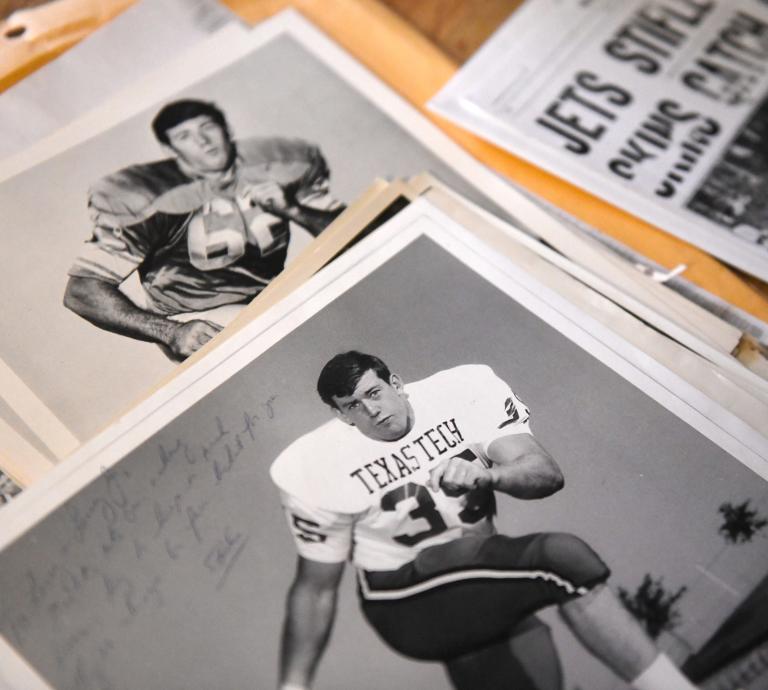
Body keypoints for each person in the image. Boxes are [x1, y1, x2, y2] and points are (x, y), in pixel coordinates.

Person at [270, 351, 697, 690]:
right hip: (401, 598)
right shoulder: (319, 463)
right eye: (353, 407)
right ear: (341, 416)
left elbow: (545, 473)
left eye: (375, 393)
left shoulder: (461, 392)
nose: (372, 411)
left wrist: (489, 473)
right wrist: (293, 685)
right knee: (560, 559)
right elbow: (315, 589)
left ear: (395, 383)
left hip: (473, 578)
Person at [63, 99, 344, 361]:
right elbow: (81, 291)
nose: (202, 140)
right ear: (170, 151)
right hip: (200, 314)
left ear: (227, 130)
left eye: (207, 127)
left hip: (271, 295)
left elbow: (355, 231)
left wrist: (293, 209)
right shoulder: (147, 197)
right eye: (184, 136)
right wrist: (171, 332)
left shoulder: (279, 165)